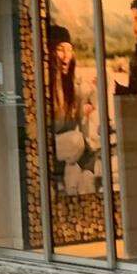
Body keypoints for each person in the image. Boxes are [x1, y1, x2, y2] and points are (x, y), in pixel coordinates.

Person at [48, 23, 102, 195]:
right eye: (60, 49)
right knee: (77, 141)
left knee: (79, 170)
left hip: (68, 156)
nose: (66, 56)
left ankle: (79, 188)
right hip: (53, 150)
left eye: (69, 50)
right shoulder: (46, 85)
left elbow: (78, 118)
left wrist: (84, 110)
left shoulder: (72, 85)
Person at [114, 0, 137, 96]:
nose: (134, 27)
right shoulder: (136, 56)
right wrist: (113, 85)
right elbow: (136, 94)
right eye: (133, 21)